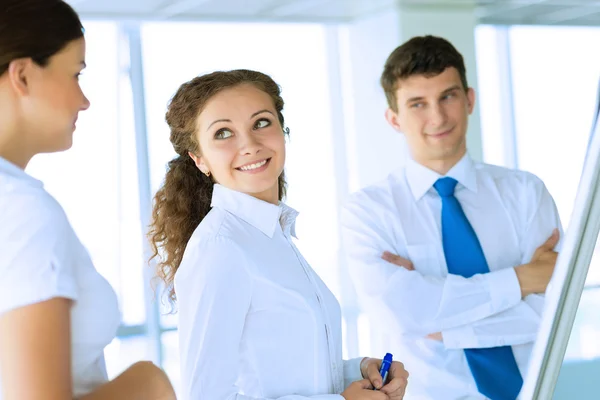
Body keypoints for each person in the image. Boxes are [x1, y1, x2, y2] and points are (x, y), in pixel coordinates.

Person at [148, 69, 410, 400]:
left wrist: (359, 370)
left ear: (283, 131)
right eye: (224, 133)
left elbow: (283, 374)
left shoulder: (272, 234)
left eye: (261, 123)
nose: (250, 145)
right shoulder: (219, 246)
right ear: (199, 159)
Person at [340, 35, 562, 400]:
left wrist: (443, 318)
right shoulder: (368, 211)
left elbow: (550, 313)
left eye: (448, 96)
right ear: (394, 119)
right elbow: (403, 314)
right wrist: (522, 279)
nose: (438, 117)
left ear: (469, 99)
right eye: (417, 104)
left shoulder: (526, 192)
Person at [0, 1, 176, 399]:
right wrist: (150, 385)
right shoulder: (21, 211)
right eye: (76, 74)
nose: (84, 100)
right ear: (23, 75)